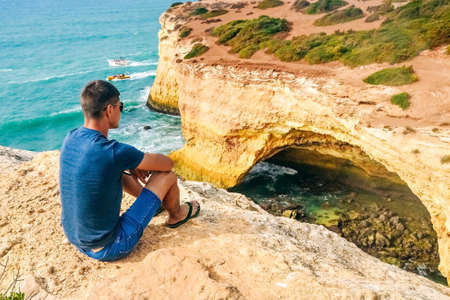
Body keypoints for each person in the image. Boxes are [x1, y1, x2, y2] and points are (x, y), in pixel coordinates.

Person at [59, 80, 200, 261]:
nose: (121, 111)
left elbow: (101, 162)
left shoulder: (71, 137)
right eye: (120, 106)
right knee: (167, 176)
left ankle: (154, 206)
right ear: (109, 110)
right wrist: (137, 162)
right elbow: (167, 164)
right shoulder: (113, 151)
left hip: (77, 239)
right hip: (111, 246)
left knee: (113, 170)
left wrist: (130, 164)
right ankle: (176, 216)